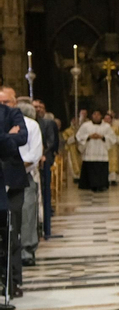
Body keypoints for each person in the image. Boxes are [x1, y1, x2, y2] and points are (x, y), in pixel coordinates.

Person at [15, 99, 41, 267]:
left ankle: (27, 250)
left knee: (27, 212)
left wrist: (13, 165)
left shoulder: (31, 126)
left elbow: (34, 155)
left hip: (23, 174)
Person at [76, 109, 114, 192]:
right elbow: (79, 136)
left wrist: (102, 137)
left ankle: (101, 185)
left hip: (101, 152)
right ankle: (89, 185)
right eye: (94, 114)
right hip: (90, 151)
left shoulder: (106, 126)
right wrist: (89, 136)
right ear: (92, 116)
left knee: (101, 169)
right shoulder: (86, 125)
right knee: (90, 168)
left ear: (101, 116)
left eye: (98, 115)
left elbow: (112, 138)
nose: (96, 116)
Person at [35, 99, 58, 239]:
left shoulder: (48, 123)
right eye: (35, 107)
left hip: (43, 159)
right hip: (31, 161)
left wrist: (41, 154)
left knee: (44, 188)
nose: (38, 109)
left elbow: (51, 141)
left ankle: (46, 216)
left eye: (40, 107)